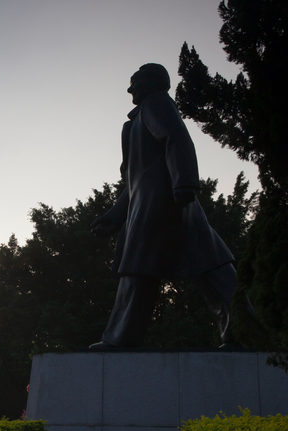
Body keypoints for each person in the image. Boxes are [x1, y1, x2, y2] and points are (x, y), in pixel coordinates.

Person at [90, 63, 245, 349]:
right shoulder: (137, 120)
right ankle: (246, 331)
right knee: (210, 265)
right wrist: (114, 216)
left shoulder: (155, 102)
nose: (130, 88)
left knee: (139, 265)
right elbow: (135, 180)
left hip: (161, 201)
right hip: (159, 199)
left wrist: (184, 183)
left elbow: (176, 136)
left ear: (153, 82)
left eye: (135, 81)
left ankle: (121, 339)